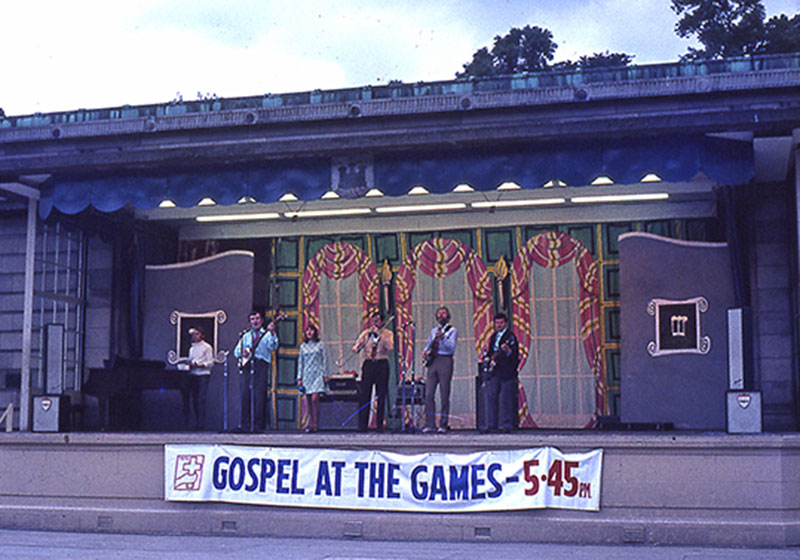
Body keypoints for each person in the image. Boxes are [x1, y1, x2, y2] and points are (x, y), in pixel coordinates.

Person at [233, 310, 279, 432]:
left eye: (257, 319)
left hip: (261, 365)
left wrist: (273, 332)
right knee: (245, 394)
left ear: (262, 321)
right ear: (249, 322)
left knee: (259, 395)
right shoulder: (246, 336)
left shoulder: (267, 334)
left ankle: (258, 425)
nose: (255, 321)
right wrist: (242, 352)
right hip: (248, 366)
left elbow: (273, 346)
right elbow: (236, 351)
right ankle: (245, 425)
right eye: (253, 319)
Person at [353, 311, 393, 432]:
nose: (375, 323)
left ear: (382, 322)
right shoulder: (366, 333)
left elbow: (391, 347)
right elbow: (355, 349)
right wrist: (360, 344)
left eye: (377, 320)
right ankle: (363, 425)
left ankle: (380, 425)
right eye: (373, 320)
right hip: (369, 364)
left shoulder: (388, 333)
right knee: (365, 394)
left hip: (381, 364)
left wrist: (380, 336)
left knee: (381, 395)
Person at [421, 306, 458, 433]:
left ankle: (443, 424)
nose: (441, 315)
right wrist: (425, 352)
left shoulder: (452, 330)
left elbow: (451, 348)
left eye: (444, 313)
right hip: (433, 361)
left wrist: (443, 338)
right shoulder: (433, 331)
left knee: (444, 393)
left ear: (448, 316)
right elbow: (429, 345)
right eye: (439, 313)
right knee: (428, 393)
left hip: (445, 360)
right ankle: (430, 424)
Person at [482, 312, 519, 434]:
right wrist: (487, 358)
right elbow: (490, 352)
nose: (499, 325)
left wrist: (508, 351)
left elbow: (514, 354)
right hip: (495, 371)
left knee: (505, 399)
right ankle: (491, 424)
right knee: (491, 397)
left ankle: (506, 424)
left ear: (506, 323)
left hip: (507, 372)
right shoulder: (493, 336)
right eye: (497, 323)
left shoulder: (510, 336)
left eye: (501, 323)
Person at [297, 324, 328, 433]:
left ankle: (316, 423)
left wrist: (325, 375)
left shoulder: (320, 345)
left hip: (317, 374)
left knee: (315, 398)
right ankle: (311, 422)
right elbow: (300, 362)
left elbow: (324, 360)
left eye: (311, 330)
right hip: (307, 374)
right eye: (307, 331)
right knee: (308, 399)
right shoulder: (303, 346)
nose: (309, 332)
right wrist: (299, 377)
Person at [184, 326, 214, 430]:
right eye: (194, 334)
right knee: (195, 399)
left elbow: (211, 362)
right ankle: (197, 422)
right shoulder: (192, 348)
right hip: (193, 374)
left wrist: (201, 365)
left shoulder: (207, 347)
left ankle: (202, 424)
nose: (195, 336)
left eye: (197, 334)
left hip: (203, 374)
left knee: (201, 399)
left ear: (202, 335)